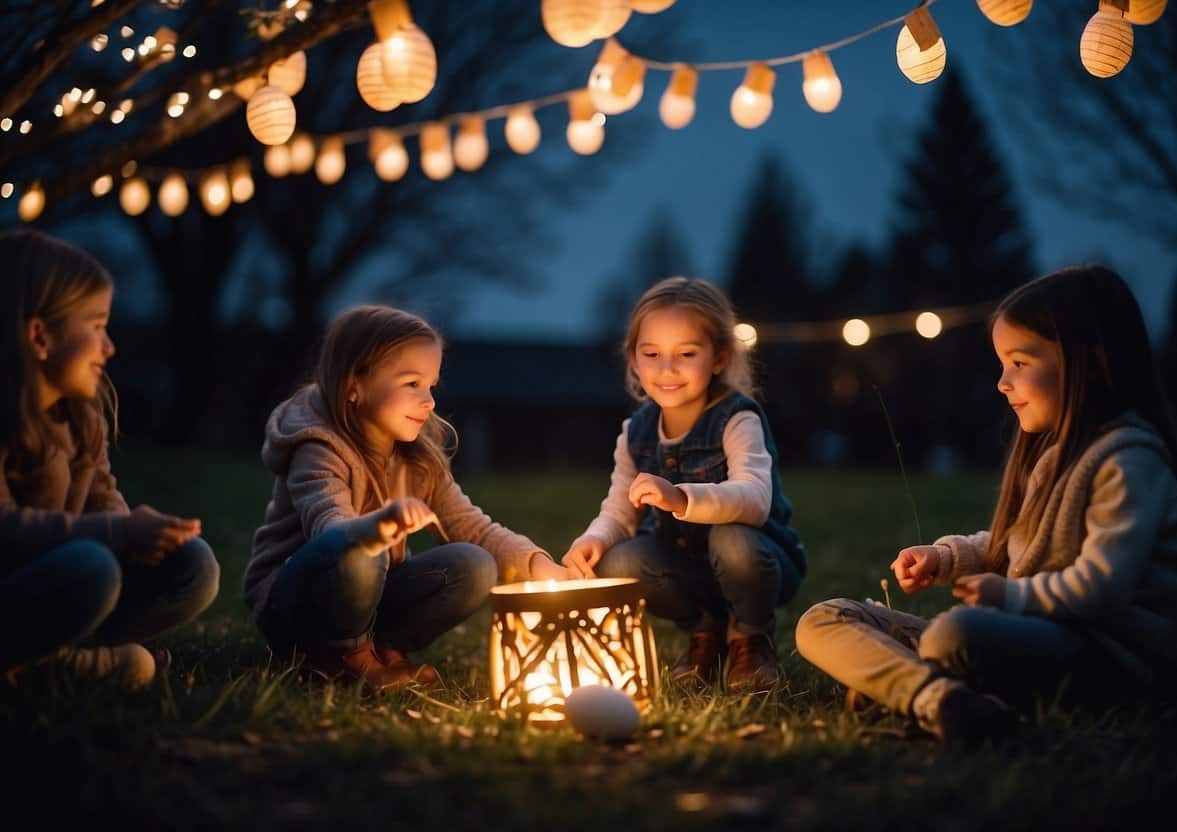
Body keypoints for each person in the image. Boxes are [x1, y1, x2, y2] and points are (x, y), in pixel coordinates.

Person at [796, 266, 1177, 744]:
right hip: (1022, 633)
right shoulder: (1059, 455)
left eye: (1019, 362)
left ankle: (899, 683)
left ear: (1088, 361)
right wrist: (947, 557)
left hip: (1107, 655)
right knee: (824, 618)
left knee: (956, 635)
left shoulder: (1131, 463)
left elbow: (1102, 587)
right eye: (1001, 365)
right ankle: (944, 701)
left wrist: (1008, 597)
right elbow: (1024, 543)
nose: (1002, 383)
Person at [244, 305, 570, 691]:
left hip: (370, 599)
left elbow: (474, 529)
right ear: (355, 386)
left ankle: (382, 650)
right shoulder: (319, 448)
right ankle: (351, 660)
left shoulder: (416, 458)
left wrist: (541, 567)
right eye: (411, 383)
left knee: (474, 562)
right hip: (298, 607)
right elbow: (328, 524)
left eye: (431, 385)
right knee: (362, 547)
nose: (429, 401)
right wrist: (378, 527)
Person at [1, 229, 219, 689]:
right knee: (90, 569)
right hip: (27, 586)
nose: (110, 347)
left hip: (55, 584)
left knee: (194, 565)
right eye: (97, 326)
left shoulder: (80, 416)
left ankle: (49, 656)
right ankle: (56, 666)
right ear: (40, 336)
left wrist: (138, 540)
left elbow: (101, 496)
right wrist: (116, 535)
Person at [563, 278, 805, 691]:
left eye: (686, 354)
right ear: (633, 359)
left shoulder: (736, 419)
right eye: (651, 354)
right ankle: (705, 634)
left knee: (732, 538)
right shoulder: (636, 432)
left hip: (757, 562)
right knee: (617, 562)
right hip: (686, 566)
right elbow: (619, 508)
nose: (666, 369)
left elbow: (755, 499)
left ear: (719, 357)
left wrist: (679, 498)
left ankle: (750, 637)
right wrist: (595, 538)